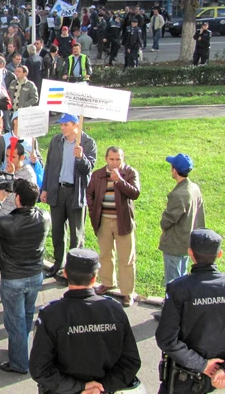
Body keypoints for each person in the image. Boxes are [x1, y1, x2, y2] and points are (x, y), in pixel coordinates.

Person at [29, 248, 142, 394]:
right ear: (94, 278)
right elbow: (131, 362)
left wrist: (81, 387)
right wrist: (103, 387)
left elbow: (40, 370)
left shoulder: (51, 315)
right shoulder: (115, 310)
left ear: (65, 274)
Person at [0, 179, 50, 375]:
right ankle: (20, 349)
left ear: (18, 198)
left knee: (15, 322)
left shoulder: (7, 223)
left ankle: (19, 363)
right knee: (27, 316)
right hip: (35, 275)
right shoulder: (44, 217)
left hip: (13, 278)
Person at [155, 229, 225, 394]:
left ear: (190, 252)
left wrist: (202, 365)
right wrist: (221, 368)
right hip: (218, 380)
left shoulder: (178, 288)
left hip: (182, 379)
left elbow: (166, 339)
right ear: (219, 254)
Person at [41, 114, 97, 281]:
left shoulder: (88, 143)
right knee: (57, 230)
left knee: (76, 233)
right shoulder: (56, 141)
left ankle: (73, 271)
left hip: (76, 192)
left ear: (76, 125)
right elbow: (49, 166)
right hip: (57, 190)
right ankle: (58, 264)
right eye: (61, 125)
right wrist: (45, 189)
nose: (62, 128)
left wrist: (81, 157)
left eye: (66, 125)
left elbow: (88, 170)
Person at [87, 147, 141, 307]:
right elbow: (89, 193)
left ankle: (127, 292)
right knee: (105, 254)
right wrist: (92, 208)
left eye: (118, 159)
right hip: (104, 220)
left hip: (123, 221)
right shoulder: (98, 175)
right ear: (106, 159)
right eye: (112, 159)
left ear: (123, 159)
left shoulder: (130, 173)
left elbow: (135, 193)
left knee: (127, 258)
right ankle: (107, 282)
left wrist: (119, 181)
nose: (115, 162)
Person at [159, 153, 206, 287]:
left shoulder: (179, 194)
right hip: (187, 241)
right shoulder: (194, 188)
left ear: (174, 170)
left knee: (173, 283)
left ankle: (173, 307)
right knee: (182, 277)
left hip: (175, 243)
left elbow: (166, 221)